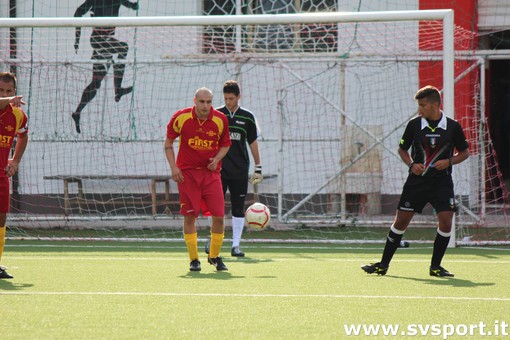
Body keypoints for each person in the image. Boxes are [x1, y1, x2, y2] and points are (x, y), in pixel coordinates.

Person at [362, 85, 469, 277]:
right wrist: (411, 165)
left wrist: (450, 161)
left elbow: (465, 152)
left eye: (423, 105)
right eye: (419, 105)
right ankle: (383, 265)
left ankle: (435, 267)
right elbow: (402, 150)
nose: (419, 109)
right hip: (416, 183)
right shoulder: (414, 125)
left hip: (442, 184)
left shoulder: (453, 127)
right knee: (401, 221)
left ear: (435, 105)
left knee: (446, 222)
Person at [164, 87, 231, 272]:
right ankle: (194, 259)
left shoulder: (220, 119)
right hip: (188, 175)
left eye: (209, 102)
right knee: (190, 216)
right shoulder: (181, 117)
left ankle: (215, 256)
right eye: (202, 101)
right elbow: (168, 144)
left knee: (219, 216)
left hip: (211, 175)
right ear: (195, 101)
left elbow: (225, 145)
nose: (206, 105)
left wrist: (217, 158)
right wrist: (174, 167)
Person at [205, 80, 262, 257]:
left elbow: (252, 142)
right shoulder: (216, 114)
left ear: (238, 97)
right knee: (215, 207)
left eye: (231, 98)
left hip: (240, 170)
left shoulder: (247, 116)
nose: (228, 101)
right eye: (226, 98)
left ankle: (236, 245)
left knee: (238, 207)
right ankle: (213, 240)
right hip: (218, 170)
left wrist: (258, 167)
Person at [71, 0, 139, 134]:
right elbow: (78, 12)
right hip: (99, 40)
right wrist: (77, 38)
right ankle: (118, 90)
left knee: (96, 83)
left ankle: (77, 112)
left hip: (105, 42)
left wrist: (134, 5)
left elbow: (131, 6)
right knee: (123, 48)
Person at [0, 72, 29, 279]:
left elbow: (23, 135)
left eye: (10, 91)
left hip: (1, 175)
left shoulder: (18, 115)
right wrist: (7, 100)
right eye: (1, 91)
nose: (6, 94)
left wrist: (15, 161)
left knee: (1, 220)